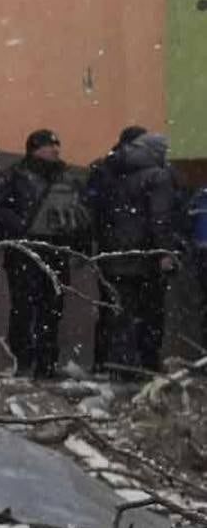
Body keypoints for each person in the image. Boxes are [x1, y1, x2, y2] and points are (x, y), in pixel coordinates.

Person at [0, 129, 83, 380]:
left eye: (58, 145)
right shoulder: (13, 176)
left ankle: (46, 365)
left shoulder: (64, 178)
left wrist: (74, 235)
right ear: (35, 149)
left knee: (52, 310)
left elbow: (77, 213)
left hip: (56, 252)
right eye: (49, 145)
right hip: (23, 254)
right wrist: (22, 226)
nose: (56, 150)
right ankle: (23, 362)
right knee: (24, 308)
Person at [83, 124, 174, 380]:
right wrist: (165, 252)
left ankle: (116, 367)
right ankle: (145, 368)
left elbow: (93, 209)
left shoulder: (107, 170)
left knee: (116, 314)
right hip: (145, 257)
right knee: (150, 316)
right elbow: (160, 218)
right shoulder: (158, 175)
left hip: (111, 254)